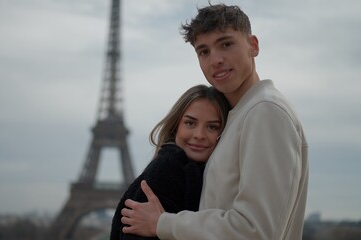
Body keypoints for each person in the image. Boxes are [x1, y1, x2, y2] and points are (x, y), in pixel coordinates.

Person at [120, 3, 309, 240]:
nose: (215, 60)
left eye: (226, 44)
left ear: (254, 45)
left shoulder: (265, 111)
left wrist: (163, 223)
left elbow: (256, 231)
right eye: (203, 51)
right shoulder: (240, 116)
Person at [110, 85, 230, 240]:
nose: (199, 135)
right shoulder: (166, 171)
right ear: (176, 127)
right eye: (190, 123)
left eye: (212, 127)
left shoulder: (199, 172)